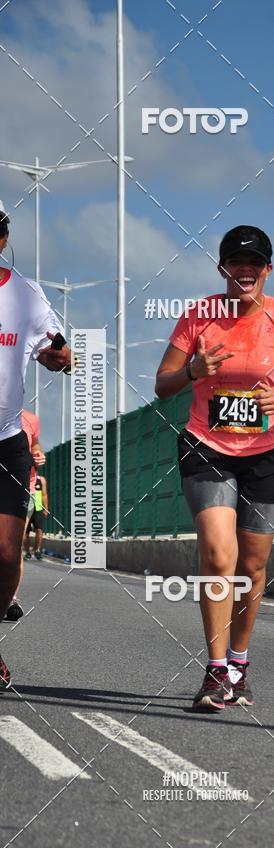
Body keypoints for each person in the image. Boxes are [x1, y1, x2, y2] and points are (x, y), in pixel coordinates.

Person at [155, 225, 274, 712]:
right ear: (222, 269)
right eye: (236, 262)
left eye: (254, 263)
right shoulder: (198, 317)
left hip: (269, 453)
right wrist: (192, 371)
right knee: (218, 553)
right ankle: (215, 672)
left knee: (251, 566)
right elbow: (163, 384)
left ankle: (239, 662)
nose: (245, 270)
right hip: (207, 446)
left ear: (268, 270)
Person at [0, 203, 72, 690]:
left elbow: (64, 352)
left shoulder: (26, 295)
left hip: (6, 443)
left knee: (6, 554)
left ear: (3, 239)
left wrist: (59, 359)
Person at [5, 409, 45, 621]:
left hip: (23, 487)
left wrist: (38, 455)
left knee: (13, 543)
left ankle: (10, 598)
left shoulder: (31, 419)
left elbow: (35, 446)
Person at [23, 470, 48, 561]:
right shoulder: (24, 479)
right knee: (26, 531)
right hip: (26, 507)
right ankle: (27, 552)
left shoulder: (41, 479)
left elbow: (44, 495)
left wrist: (46, 508)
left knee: (39, 529)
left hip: (38, 507)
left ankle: (37, 550)